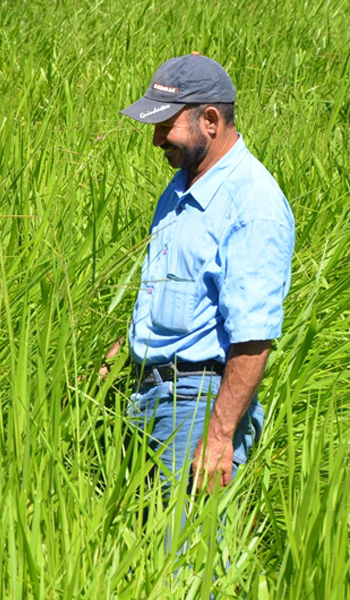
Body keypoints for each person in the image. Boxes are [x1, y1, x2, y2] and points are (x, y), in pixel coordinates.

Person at [118, 53, 295, 493]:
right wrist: (111, 365)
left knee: (183, 558)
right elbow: (160, 295)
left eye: (166, 126)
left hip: (197, 410)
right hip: (147, 399)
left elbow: (254, 336)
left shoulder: (253, 206)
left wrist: (217, 438)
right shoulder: (180, 189)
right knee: (136, 554)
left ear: (210, 120)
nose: (157, 140)